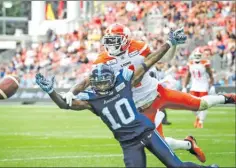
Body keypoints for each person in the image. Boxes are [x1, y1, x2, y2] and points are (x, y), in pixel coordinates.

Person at [62, 23, 236, 163]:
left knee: (200, 104)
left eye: (115, 40)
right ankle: (188, 144)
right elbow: (88, 80)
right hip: (141, 106)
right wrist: (72, 91)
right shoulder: (102, 60)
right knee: (158, 143)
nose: (110, 44)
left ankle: (227, 98)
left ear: (126, 40)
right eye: (108, 40)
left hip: (157, 91)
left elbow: (164, 59)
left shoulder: (138, 47)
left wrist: (173, 45)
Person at [36, 38, 218, 167]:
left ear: (111, 79)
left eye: (103, 81)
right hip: (129, 144)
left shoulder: (123, 84)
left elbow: (149, 62)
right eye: (97, 82)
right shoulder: (94, 99)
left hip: (147, 133)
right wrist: (51, 91)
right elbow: (64, 104)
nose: (100, 85)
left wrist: (169, 43)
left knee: (176, 167)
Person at [182, 48, 215, 128]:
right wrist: (184, 86)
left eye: (199, 55)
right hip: (194, 86)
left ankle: (201, 121)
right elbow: (188, 75)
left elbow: (210, 74)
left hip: (204, 86)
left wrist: (212, 85)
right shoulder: (190, 63)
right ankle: (198, 117)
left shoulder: (205, 63)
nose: (197, 57)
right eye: (196, 55)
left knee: (203, 104)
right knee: (191, 105)